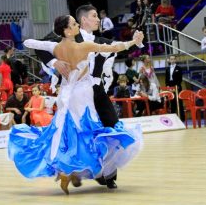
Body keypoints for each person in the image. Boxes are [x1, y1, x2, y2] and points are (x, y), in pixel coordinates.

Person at [8, 15, 143, 195]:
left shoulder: (55, 47)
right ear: (67, 30)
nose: (77, 25)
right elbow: (113, 47)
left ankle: (67, 171)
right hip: (82, 93)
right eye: (73, 24)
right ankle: (78, 169)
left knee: (69, 132)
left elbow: (30, 43)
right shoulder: (83, 46)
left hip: (66, 94)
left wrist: (55, 61)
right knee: (86, 131)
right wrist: (132, 41)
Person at [165, 55, 184, 121]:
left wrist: (177, 85)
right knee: (172, 102)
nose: (172, 60)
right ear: (169, 60)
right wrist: (167, 85)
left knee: (179, 101)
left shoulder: (179, 68)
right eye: (171, 59)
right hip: (170, 86)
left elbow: (180, 79)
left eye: (173, 59)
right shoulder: (167, 69)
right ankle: (173, 118)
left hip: (177, 86)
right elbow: (166, 78)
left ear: (175, 60)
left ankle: (182, 118)